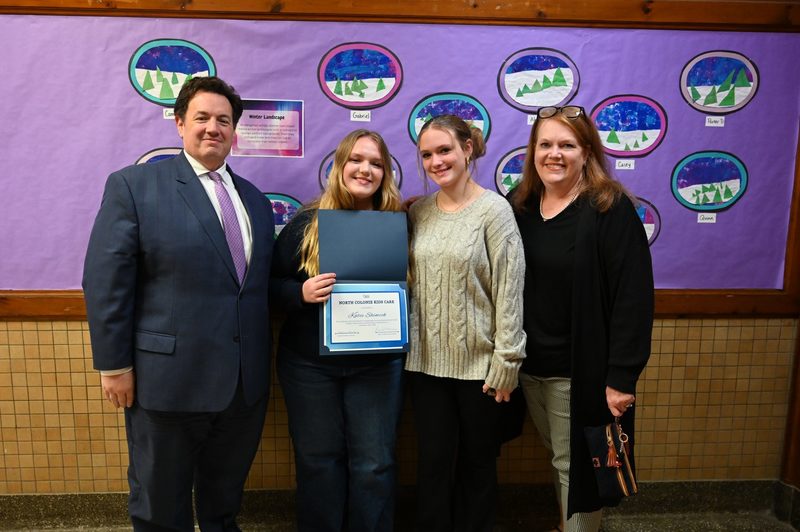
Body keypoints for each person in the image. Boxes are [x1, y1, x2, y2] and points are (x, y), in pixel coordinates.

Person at [83, 76, 274, 531]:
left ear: (235, 130)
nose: (213, 128)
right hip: (166, 382)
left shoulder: (255, 201)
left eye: (224, 120)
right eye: (202, 117)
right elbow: (106, 279)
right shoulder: (134, 186)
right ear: (179, 123)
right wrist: (114, 365)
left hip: (242, 386)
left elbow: (257, 287)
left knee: (223, 503)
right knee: (160, 504)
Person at [508, 105, 654, 532]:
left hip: (579, 374)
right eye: (546, 144)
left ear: (587, 152)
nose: (555, 154)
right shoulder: (521, 208)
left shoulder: (610, 209)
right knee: (560, 460)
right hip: (530, 370)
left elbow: (634, 298)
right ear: (533, 152)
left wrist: (622, 377)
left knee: (579, 470)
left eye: (567, 145)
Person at [270, 129, 405, 532]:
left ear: (386, 172)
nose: (365, 169)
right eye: (356, 159)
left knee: (374, 464)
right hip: (310, 367)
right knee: (318, 462)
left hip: (377, 366)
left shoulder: (399, 223)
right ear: (339, 166)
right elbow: (268, 289)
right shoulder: (306, 225)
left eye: (376, 163)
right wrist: (300, 293)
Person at [405, 114, 526, 532]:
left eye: (444, 150)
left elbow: (510, 289)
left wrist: (507, 360)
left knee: (478, 467)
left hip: (481, 370)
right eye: (427, 155)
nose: (436, 161)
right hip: (425, 368)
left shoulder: (495, 211)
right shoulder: (418, 211)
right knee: (432, 467)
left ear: (467, 149)